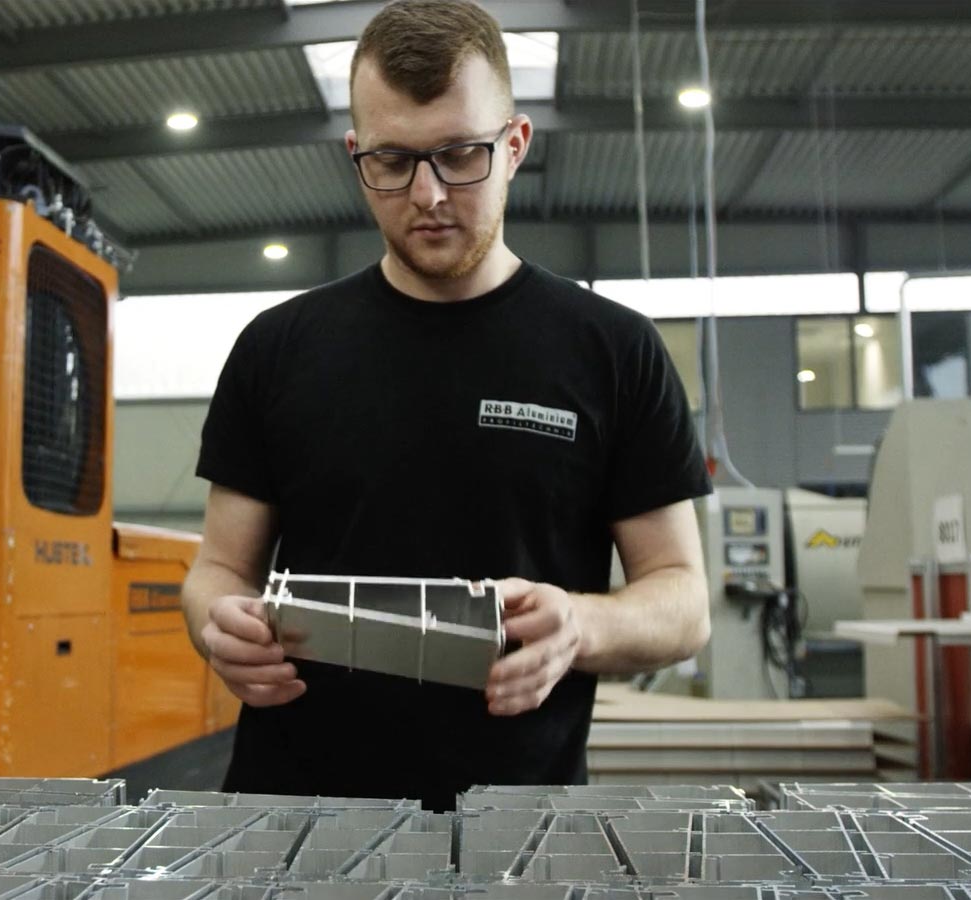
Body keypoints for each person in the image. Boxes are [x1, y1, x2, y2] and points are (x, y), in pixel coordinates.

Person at [180, 0, 714, 811]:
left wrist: (580, 625)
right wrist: (218, 623)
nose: (427, 194)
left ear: (515, 145)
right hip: (295, 816)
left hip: (515, 821)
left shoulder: (613, 351)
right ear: (356, 154)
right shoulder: (277, 348)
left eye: (460, 154)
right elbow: (218, 570)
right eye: (393, 160)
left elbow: (682, 599)